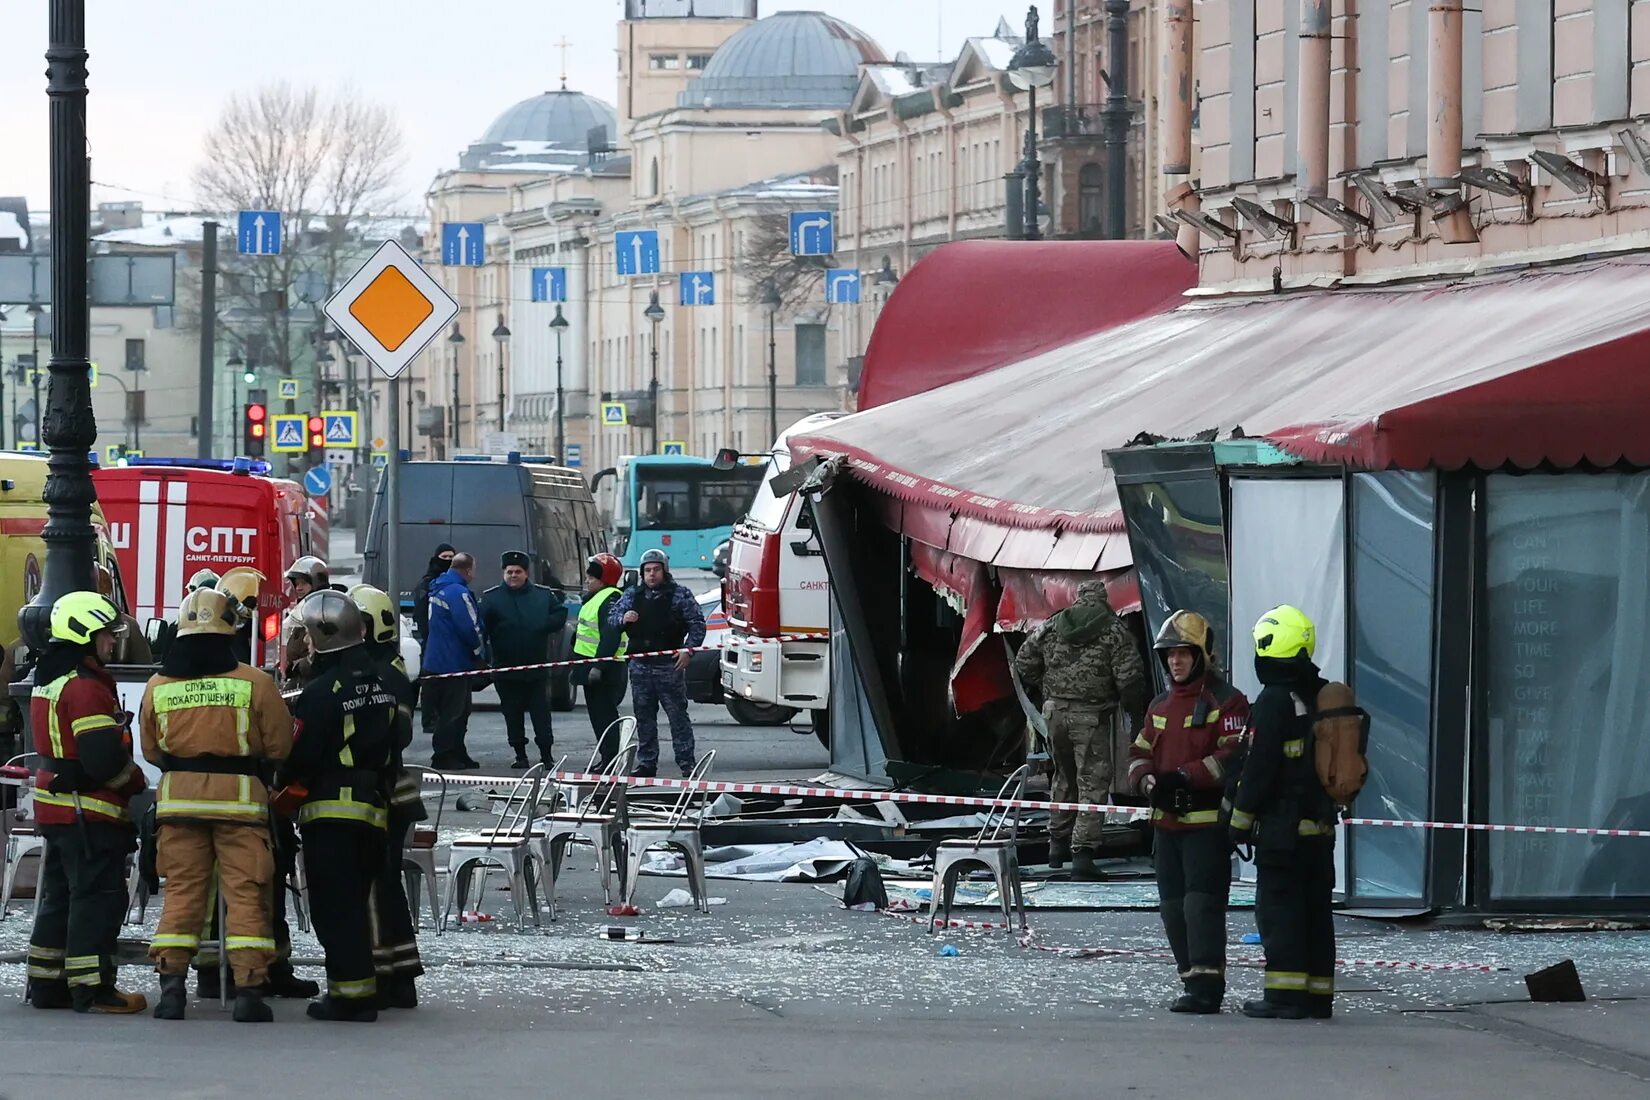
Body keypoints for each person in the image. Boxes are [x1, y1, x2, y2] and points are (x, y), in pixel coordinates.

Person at [140, 587, 292, 1023]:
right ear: (228, 632)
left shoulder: (158, 686)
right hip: (240, 807)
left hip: (177, 806)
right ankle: (248, 993)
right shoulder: (255, 683)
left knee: (182, 894)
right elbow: (279, 746)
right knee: (246, 894)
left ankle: (171, 991)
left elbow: (152, 750)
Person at [24, 591, 148, 1014]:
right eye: (106, 635)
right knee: (97, 898)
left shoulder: (51, 678)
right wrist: (134, 783)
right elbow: (100, 759)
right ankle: (92, 989)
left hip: (57, 809)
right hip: (87, 812)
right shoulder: (85, 688)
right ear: (84, 634)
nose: (112, 643)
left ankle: (46, 984)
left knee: (59, 896)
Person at [279, 589, 398, 1022]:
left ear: (323, 636)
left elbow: (302, 756)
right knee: (355, 904)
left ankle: (350, 998)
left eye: (307, 636)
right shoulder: (379, 681)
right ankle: (358, 991)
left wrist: (282, 784)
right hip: (373, 809)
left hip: (332, 812)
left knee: (334, 908)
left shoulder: (320, 692)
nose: (304, 643)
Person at [1126, 610, 1249, 1014]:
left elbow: (1232, 755)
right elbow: (1139, 752)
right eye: (1169, 655)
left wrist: (1184, 777)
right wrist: (1148, 783)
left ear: (1201, 655)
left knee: (1201, 905)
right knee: (1172, 907)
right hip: (1166, 826)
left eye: (1183, 653)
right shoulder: (1160, 704)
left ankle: (1207, 986)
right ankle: (1188, 978)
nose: (1175, 661)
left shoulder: (1226, 701)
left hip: (1206, 827)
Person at [1229, 605, 1338, 1021]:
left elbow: (1259, 767)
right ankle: (1317, 996)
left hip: (1282, 830)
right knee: (1316, 912)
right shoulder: (1322, 694)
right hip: (1320, 828)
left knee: (1281, 911)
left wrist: (1238, 823)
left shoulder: (1274, 700)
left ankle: (1284, 996)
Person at [1013, 579, 1147, 880]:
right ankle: (1083, 856)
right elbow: (1130, 676)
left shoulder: (1052, 625)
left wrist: (1046, 687)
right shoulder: (1113, 630)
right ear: (1102, 600)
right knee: (1093, 781)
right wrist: (1131, 709)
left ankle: (1057, 846)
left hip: (1054, 713)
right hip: (1091, 715)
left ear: (1077, 599)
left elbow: (1024, 661)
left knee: (1063, 776)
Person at [349, 584, 425, 1009]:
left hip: (385, 792)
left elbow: (398, 733)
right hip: (385, 791)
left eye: (357, 624)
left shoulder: (385, 673)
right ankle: (398, 975)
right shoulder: (381, 666)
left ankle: (387, 975)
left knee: (378, 886)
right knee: (383, 885)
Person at [609, 548, 705, 778]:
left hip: (668, 665)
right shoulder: (633, 594)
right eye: (648, 570)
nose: (652, 575)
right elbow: (611, 619)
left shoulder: (680, 594)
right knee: (644, 716)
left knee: (677, 715)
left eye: (656, 570)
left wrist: (688, 651)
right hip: (640, 665)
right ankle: (647, 763)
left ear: (664, 571)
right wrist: (623, 619)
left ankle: (686, 763)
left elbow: (697, 624)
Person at [479, 551, 568, 769]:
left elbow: (560, 614)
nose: (513, 575)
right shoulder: (491, 598)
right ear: (503, 573)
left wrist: (543, 625)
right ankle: (520, 755)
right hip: (506, 669)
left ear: (526, 573)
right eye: (509, 572)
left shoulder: (543, 595)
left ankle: (546, 755)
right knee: (512, 714)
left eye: (518, 572)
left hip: (535, 668)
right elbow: (480, 626)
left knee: (541, 715)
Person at [423, 551, 484, 770]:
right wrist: (479, 652)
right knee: (454, 711)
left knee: (457, 710)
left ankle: (457, 751)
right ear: (468, 570)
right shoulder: (459, 593)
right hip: (454, 662)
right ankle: (444, 754)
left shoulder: (438, 588)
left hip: (436, 660)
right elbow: (470, 626)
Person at [572, 554, 628, 769]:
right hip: (590, 665)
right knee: (598, 715)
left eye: (591, 577)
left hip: (604, 669)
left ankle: (611, 760)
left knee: (605, 715)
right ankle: (607, 757)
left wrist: (598, 665)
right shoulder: (597, 597)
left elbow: (611, 636)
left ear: (603, 578)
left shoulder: (610, 598)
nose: (587, 580)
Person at [413, 543, 455, 735]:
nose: (447, 561)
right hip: (431, 640)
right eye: (444, 558)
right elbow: (421, 613)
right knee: (430, 683)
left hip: (449, 643)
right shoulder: (426, 583)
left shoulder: (454, 583)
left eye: (451, 558)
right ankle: (429, 719)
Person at [281, 555, 330, 690]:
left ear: (317, 582)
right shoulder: (306, 607)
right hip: (303, 674)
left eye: (303, 583)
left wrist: (300, 666)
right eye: (296, 584)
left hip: (312, 677)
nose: (298, 588)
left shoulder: (321, 609)